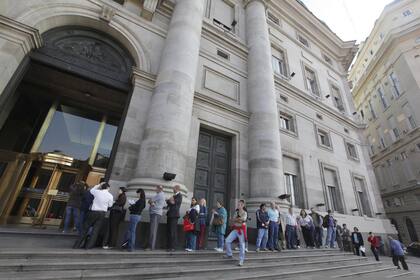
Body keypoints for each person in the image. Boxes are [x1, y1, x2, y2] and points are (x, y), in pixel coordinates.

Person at [73, 182, 113, 249]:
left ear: (101, 187)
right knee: (95, 231)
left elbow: (91, 190)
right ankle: (88, 246)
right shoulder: (110, 195)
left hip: (93, 212)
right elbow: (110, 205)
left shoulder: (97, 192)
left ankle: (77, 245)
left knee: (85, 228)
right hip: (102, 213)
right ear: (108, 188)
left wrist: (99, 185)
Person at [224, 200, 247, 266]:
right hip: (235, 229)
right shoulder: (236, 212)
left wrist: (237, 220)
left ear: (242, 205)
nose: (238, 205)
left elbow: (243, 219)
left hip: (241, 230)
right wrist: (238, 220)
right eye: (238, 204)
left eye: (239, 204)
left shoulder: (245, 213)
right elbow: (233, 219)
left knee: (242, 245)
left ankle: (241, 260)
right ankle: (229, 254)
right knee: (227, 240)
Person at [147, 185, 165, 250]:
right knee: (153, 229)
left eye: (156, 188)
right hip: (156, 213)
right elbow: (150, 201)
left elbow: (150, 201)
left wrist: (151, 202)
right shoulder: (160, 195)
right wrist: (151, 202)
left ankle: (151, 246)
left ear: (159, 189)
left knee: (153, 230)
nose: (155, 190)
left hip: (155, 213)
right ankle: (151, 245)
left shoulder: (159, 195)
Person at [166, 185, 182, 252]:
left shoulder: (179, 195)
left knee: (173, 231)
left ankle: (173, 247)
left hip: (174, 215)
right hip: (170, 214)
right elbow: (169, 203)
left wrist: (170, 200)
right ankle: (169, 246)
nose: (173, 189)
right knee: (169, 231)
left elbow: (173, 202)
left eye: (174, 188)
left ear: (177, 189)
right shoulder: (174, 196)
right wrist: (169, 200)